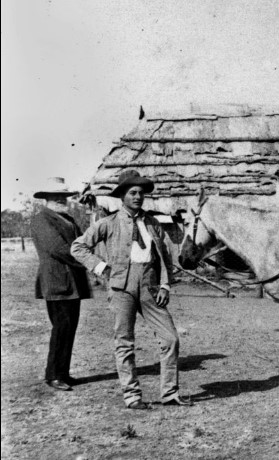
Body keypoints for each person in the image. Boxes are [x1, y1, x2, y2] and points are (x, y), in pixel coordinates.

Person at [71, 170, 189, 409]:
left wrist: (165, 284)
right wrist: (102, 268)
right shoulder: (108, 223)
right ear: (122, 196)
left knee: (170, 338)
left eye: (141, 193)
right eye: (132, 192)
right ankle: (132, 396)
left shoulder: (153, 224)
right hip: (121, 288)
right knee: (124, 342)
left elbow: (164, 257)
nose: (137, 197)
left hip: (150, 287)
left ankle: (169, 393)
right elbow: (78, 247)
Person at [31, 177, 91, 392]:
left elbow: (83, 243)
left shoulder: (68, 219)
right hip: (57, 282)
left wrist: (89, 254)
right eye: (55, 196)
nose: (60, 199)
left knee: (69, 328)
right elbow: (58, 249)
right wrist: (89, 262)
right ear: (46, 199)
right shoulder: (41, 219)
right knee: (61, 328)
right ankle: (53, 375)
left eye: (63, 196)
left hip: (72, 283)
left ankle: (62, 373)